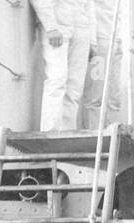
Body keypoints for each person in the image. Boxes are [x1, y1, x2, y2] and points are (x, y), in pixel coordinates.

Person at [31, 0, 97, 132]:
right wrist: (51, 27)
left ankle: (68, 132)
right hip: (58, 26)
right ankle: (50, 132)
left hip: (81, 28)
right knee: (57, 79)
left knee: (75, 86)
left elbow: (90, 5)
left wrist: (92, 40)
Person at [81, 0, 122, 130]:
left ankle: (112, 136)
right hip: (100, 40)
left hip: (116, 40)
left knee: (113, 96)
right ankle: (92, 135)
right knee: (95, 94)